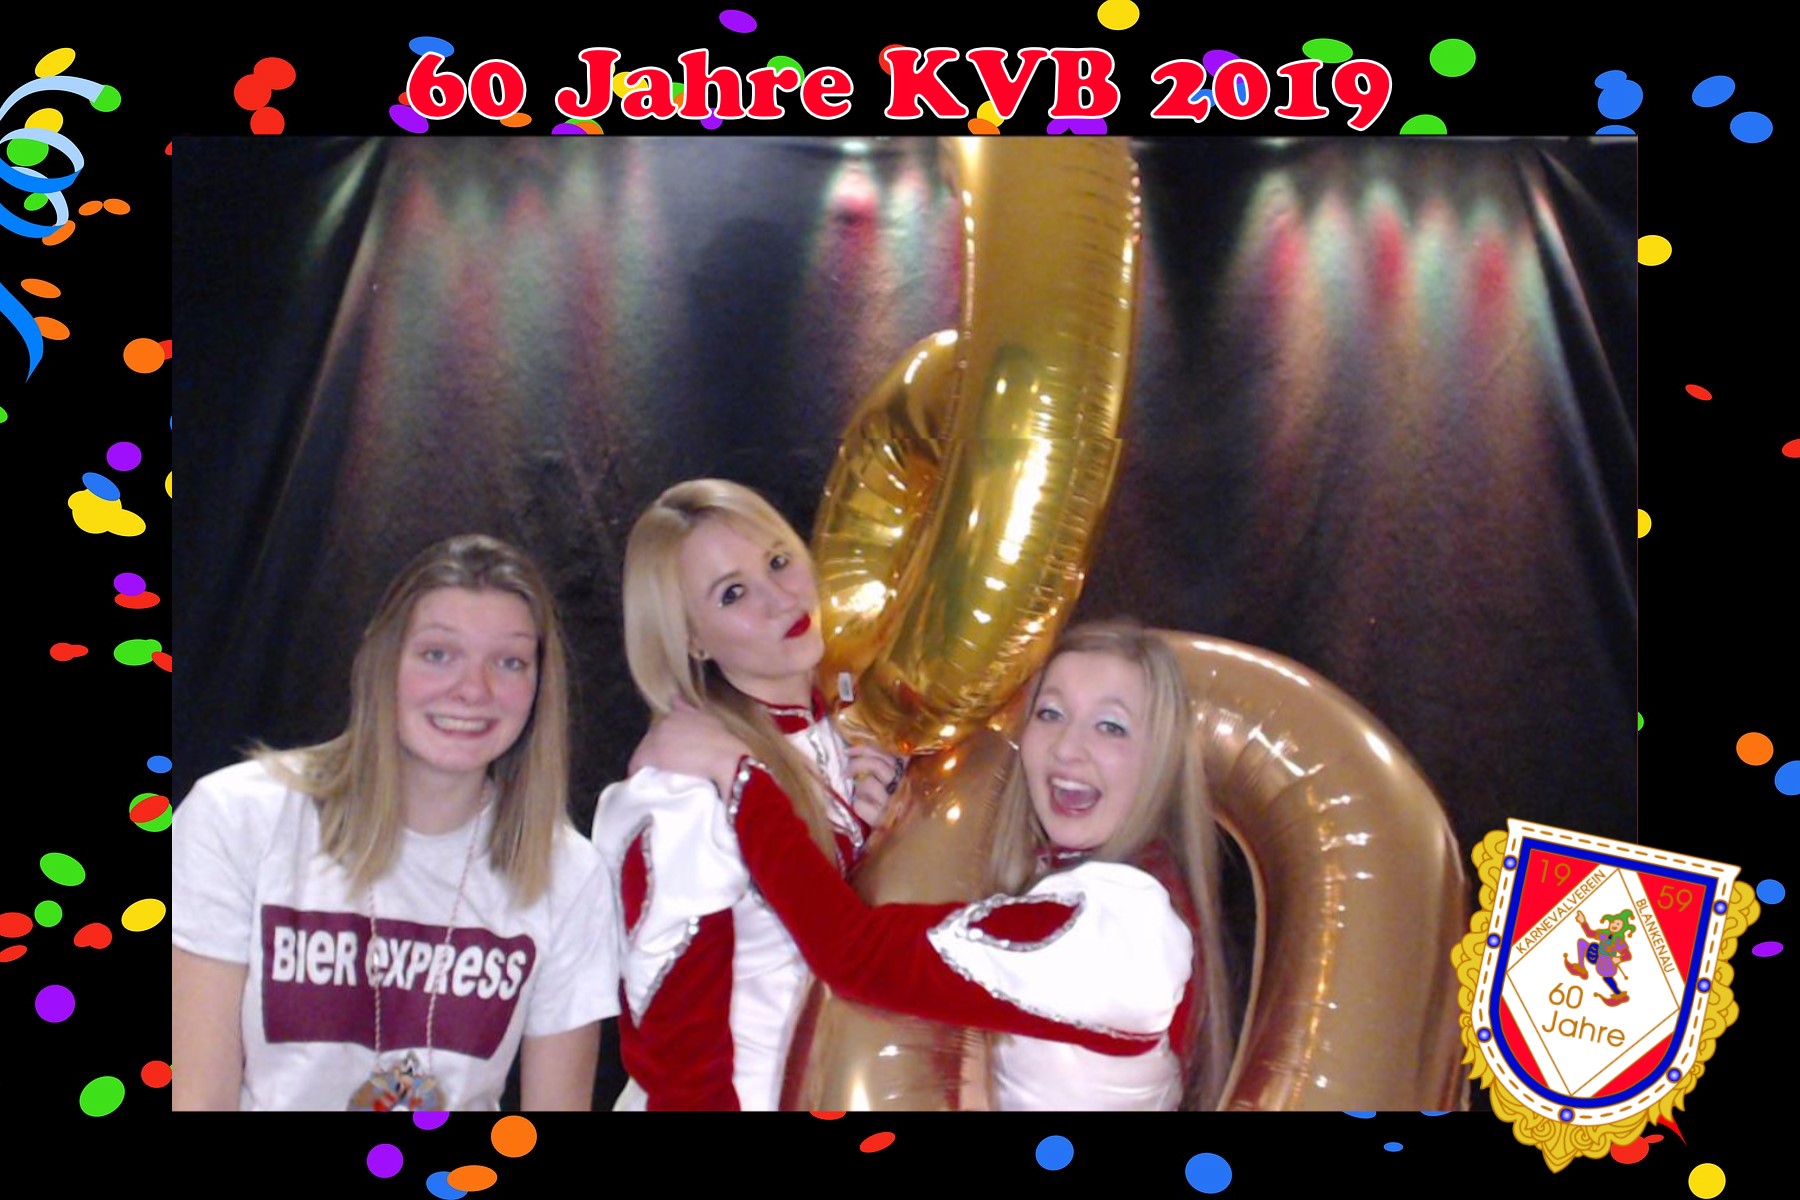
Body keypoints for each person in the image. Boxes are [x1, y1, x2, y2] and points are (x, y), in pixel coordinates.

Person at [637, 619, 1235, 1111]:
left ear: (1160, 758)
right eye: (1051, 714)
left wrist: (742, 778)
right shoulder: (1083, 884)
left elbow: (854, 956)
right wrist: (882, 835)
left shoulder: (1127, 929)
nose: (1068, 748)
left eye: (1111, 726)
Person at [171, 534, 619, 1111]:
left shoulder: (569, 872)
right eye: (438, 654)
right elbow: (198, 1097)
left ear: (538, 687)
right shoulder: (238, 816)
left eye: (510, 662)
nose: (473, 690)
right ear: (383, 661)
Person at [590, 479, 901, 1111]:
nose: (781, 598)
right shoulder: (682, 790)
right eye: (732, 593)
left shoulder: (856, 739)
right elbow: (679, 1061)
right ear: (692, 640)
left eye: (778, 560)